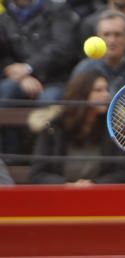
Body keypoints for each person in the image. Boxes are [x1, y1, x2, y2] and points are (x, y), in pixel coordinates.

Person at [27, 70, 125, 184]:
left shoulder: (115, 127)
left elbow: (124, 173)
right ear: (81, 94)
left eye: (106, 89)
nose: (106, 94)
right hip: (61, 197)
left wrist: (94, 184)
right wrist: (66, 185)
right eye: (98, 90)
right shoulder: (52, 128)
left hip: (101, 196)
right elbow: (37, 175)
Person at [0, 0, 79, 154]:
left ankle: (41, 159)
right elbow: (4, 56)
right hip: (20, 80)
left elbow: (63, 48)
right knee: (6, 90)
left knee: (48, 100)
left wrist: (28, 68)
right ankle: (11, 156)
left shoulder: (58, 10)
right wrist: (20, 75)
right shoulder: (5, 18)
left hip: (55, 80)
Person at [70, 10, 125, 94]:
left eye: (118, 34)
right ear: (98, 37)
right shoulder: (84, 70)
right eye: (106, 34)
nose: (112, 40)